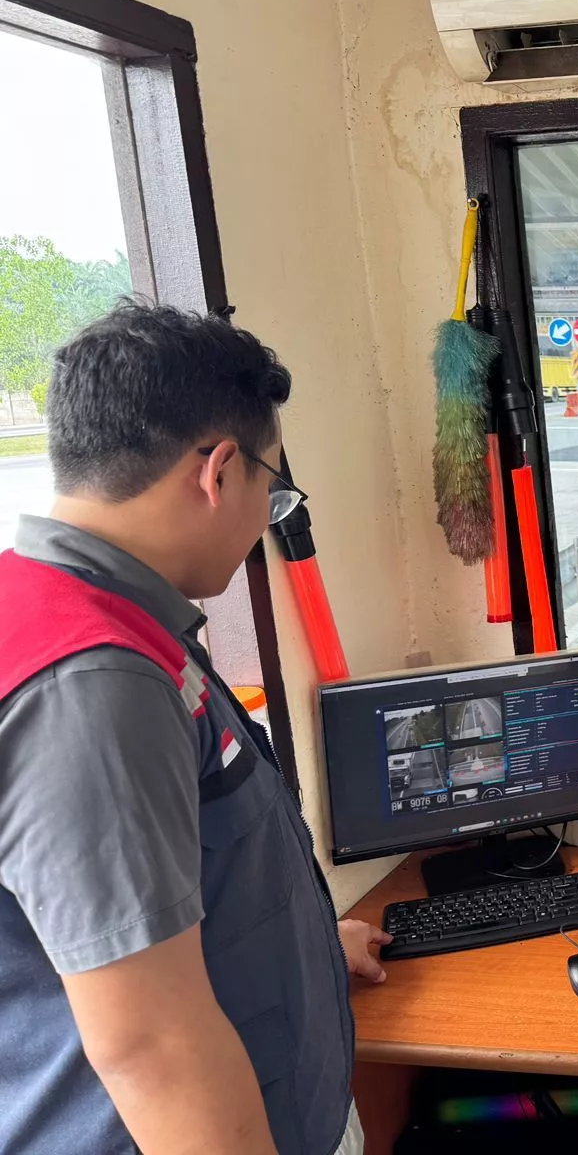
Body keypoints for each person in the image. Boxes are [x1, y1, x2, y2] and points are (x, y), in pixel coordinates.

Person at [0, 303, 389, 1155]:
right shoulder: (92, 683)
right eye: (272, 490)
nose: (266, 517)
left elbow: (141, 909)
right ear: (219, 471)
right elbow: (153, 1048)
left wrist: (306, 947)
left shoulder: (95, 616)